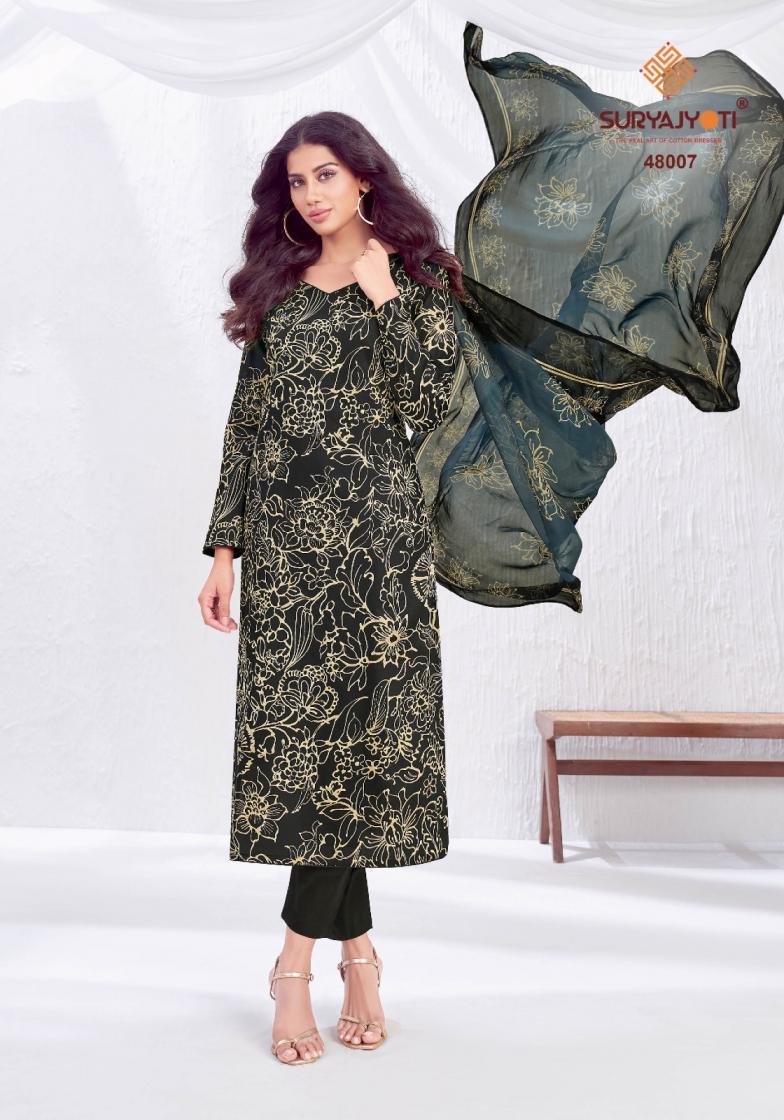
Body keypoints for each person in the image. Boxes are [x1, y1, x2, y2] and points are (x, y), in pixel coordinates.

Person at [197, 111, 462, 1065]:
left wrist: (386, 293)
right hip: (288, 556)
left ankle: (292, 965)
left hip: (379, 554)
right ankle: (361, 958)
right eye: (297, 181)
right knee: (313, 757)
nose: (311, 195)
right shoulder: (280, 290)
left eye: (326, 176)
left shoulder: (420, 281)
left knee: (356, 753)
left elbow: (432, 404)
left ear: (364, 180)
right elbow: (248, 426)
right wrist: (224, 549)